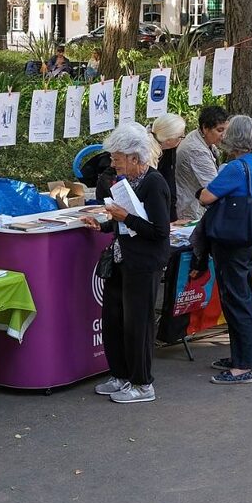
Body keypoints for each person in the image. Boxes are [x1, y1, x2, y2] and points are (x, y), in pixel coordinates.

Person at [82, 123, 169, 404]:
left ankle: (143, 383)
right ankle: (120, 375)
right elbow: (126, 221)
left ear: (135, 157)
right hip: (121, 259)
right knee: (114, 320)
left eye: (118, 158)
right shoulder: (125, 181)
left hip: (144, 263)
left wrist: (123, 218)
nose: (113, 163)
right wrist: (104, 225)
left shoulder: (154, 183)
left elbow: (158, 230)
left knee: (138, 324)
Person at [198, 115, 252, 384]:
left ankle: (242, 365)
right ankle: (240, 355)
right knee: (244, 296)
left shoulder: (235, 168)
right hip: (249, 237)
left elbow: (207, 197)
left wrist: (199, 191)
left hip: (230, 240)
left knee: (235, 298)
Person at [175, 105, 229, 221]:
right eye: (220, 130)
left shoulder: (202, 138)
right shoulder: (196, 150)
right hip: (191, 211)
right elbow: (215, 187)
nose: (224, 135)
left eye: (225, 130)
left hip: (196, 205)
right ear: (205, 128)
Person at [150, 113, 186, 223]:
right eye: (181, 137)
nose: (182, 139)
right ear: (169, 140)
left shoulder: (168, 150)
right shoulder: (149, 155)